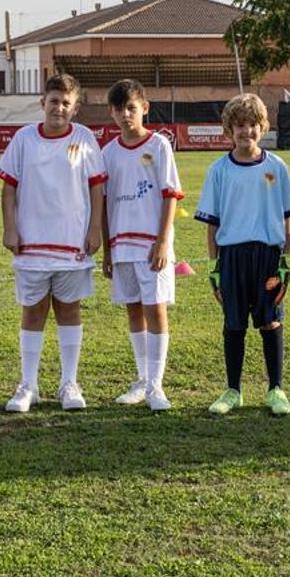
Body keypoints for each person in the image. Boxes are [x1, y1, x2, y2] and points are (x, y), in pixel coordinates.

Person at [0, 73, 106, 413]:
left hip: (71, 241)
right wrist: (10, 228)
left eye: (66, 103)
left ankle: (68, 383)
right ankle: (28, 384)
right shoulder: (24, 138)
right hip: (32, 242)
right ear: (43, 102)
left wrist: (94, 229)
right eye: (54, 101)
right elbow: (9, 187)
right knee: (33, 311)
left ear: (76, 108)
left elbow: (96, 188)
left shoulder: (85, 138)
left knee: (69, 310)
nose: (59, 107)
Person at [196, 93, 290, 417]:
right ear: (229, 129)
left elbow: (288, 219)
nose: (246, 132)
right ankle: (233, 390)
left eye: (253, 125)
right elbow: (211, 225)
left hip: (268, 257)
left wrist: (284, 261)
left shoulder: (276, 166)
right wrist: (215, 266)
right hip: (232, 257)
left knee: (270, 321)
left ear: (262, 126)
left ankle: (276, 389)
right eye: (239, 125)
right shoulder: (219, 170)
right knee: (234, 324)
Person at [100, 79, 183, 412]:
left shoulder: (159, 145)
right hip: (122, 245)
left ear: (144, 108)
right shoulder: (107, 153)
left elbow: (170, 194)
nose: (125, 115)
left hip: (152, 246)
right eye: (119, 109)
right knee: (133, 309)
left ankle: (156, 385)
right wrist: (107, 249)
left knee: (156, 308)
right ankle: (141, 379)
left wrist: (163, 240)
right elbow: (104, 204)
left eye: (131, 108)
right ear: (112, 112)